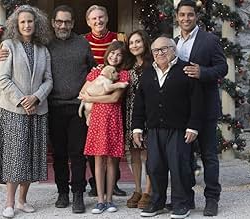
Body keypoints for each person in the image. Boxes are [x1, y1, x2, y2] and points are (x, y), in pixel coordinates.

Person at [0, 5, 97, 214]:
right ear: (52, 23)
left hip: (76, 108)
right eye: (59, 21)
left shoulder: (79, 44)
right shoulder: (44, 43)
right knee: (58, 154)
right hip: (52, 108)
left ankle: (78, 193)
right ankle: (62, 193)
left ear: (73, 23)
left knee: (77, 154)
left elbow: (92, 71)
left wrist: (90, 98)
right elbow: (8, 70)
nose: (63, 25)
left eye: (67, 22)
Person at [132, 36, 203, 219]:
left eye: (164, 49)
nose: (160, 53)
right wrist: (137, 128)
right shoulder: (147, 73)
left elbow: (197, 101)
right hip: (154, 130)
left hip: (179, 130)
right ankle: (157, 202)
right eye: (156, 50)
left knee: (179, 167)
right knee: (154, 167)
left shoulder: (186, 69)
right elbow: (139, 103)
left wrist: (193, 127)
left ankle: (181, 204)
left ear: (173, 50)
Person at [0, 5, 53, 218]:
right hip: (14, 110)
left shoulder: (43, 49)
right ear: (16, 25)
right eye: (23, 22)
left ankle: (22, 200)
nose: (27, 25)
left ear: (36, 24)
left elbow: (48, 80)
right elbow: (3, 79)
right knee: (15, 156)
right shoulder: (8, 46)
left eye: (30, 21)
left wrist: (36, 97)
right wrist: (23, 100)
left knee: (31, 156)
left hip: (38, 109)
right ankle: (9, 203)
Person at [174, 0, 228, 216]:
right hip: (181, 110)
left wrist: (202, 72)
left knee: (208, 156)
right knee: (184, 157)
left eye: (190, 15)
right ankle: (187, 198)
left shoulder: (209, 40)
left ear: (196, 16)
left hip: (205, 108)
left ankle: (212, 199)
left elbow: (222, 68)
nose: (186, 19)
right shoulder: (174, 42)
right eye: (182, 15)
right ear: (177, 17)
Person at [79, 41, 129, 214]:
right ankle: (100, 200)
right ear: (107, 54)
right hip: (97, 119)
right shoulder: (96, 71)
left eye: (119, 54)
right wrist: (90, 96)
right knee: (98, 159)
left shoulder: (123, 75)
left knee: (112, 160)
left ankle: (109, 199)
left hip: (113, 118)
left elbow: (114, 99)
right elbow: (82, 93)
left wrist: (92, 97)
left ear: (123, 57)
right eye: (112, 53)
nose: (115, 57)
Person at [84, 4, 127, 197]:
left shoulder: (119, 39)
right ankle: (96, 183)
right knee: (95, 145)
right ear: (88, 21)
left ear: (107, 18)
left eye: (101, 17)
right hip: (94, 94)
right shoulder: (83, 41)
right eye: (94, 18)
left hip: (113, 99)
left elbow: (126, 60)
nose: (98, 21)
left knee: (112, 144)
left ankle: (113, 183)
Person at [124, 30, 153, 209]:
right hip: (130, 112)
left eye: (138, 42)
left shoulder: (152, 64)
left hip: (149, 113)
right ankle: (137, 189)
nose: (134, 45)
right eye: (131, 43)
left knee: (148, 154)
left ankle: (149, 191)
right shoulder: (127, 65)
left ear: (145, 43)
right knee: (134, 153)